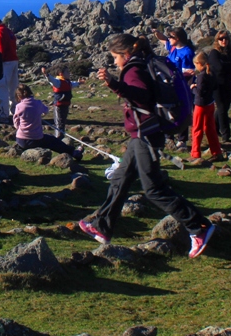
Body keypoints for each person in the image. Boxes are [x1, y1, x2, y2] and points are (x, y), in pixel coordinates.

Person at [78, 33, 215, 259]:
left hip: (146, 136)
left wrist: (114, 83)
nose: (114, 62)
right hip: (141, 134)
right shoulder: (138, 66)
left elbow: (141, 96)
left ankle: (199, 227)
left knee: (154, 190)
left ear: (125, 54)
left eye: (115, 57)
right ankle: (102, 227)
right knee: (120, 180)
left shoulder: (133, 70)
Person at [12, 84, 83, 164]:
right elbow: (46, 110)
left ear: (19, 96)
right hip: (36, 138)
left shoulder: (19, 106)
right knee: (53, 141)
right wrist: (39, 114)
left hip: (21, 139)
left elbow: (16, 124)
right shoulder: (38, 103)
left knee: (46, 139)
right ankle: (74, 153)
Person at [189, 51, 224, 164]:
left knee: (197, 129)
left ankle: (195, 153)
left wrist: (193, 87)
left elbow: (199, 92)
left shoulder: (201, 76)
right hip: (210, 104)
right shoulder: (211, 73)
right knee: (210, 129)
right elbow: (214, 87)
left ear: (200, 63)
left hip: (200, 105)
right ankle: (216, 152)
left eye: (196, 65)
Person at [207, 30, 231, 142]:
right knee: (221, 108)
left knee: (225, 108)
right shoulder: (214, 53)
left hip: (229, 83)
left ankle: (214, 127)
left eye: (226, 38)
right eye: (221, 39)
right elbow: (218, 67)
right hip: (217, 85)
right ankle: (226, 134)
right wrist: (229, 66)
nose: (224, 41)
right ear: (217, 40)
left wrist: (226, 66)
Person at [0, 17, 19, 121]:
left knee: (1, 87)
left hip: (5, 62)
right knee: (13, 87)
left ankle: (3, 113)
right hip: (14, 60)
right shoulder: (9, 31)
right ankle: (15, 111)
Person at [40, 64, 75, 139]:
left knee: (63, 122)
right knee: (58, 123)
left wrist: (80, 83)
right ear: (61, 73)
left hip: (66, 105)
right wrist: (46, 74)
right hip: (59, 106)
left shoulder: (68, 82)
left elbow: (73, 84)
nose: (69, 73)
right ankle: (57, 137)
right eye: (67, 72)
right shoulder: (57, 82)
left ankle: (61, 136)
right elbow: (50, 79)